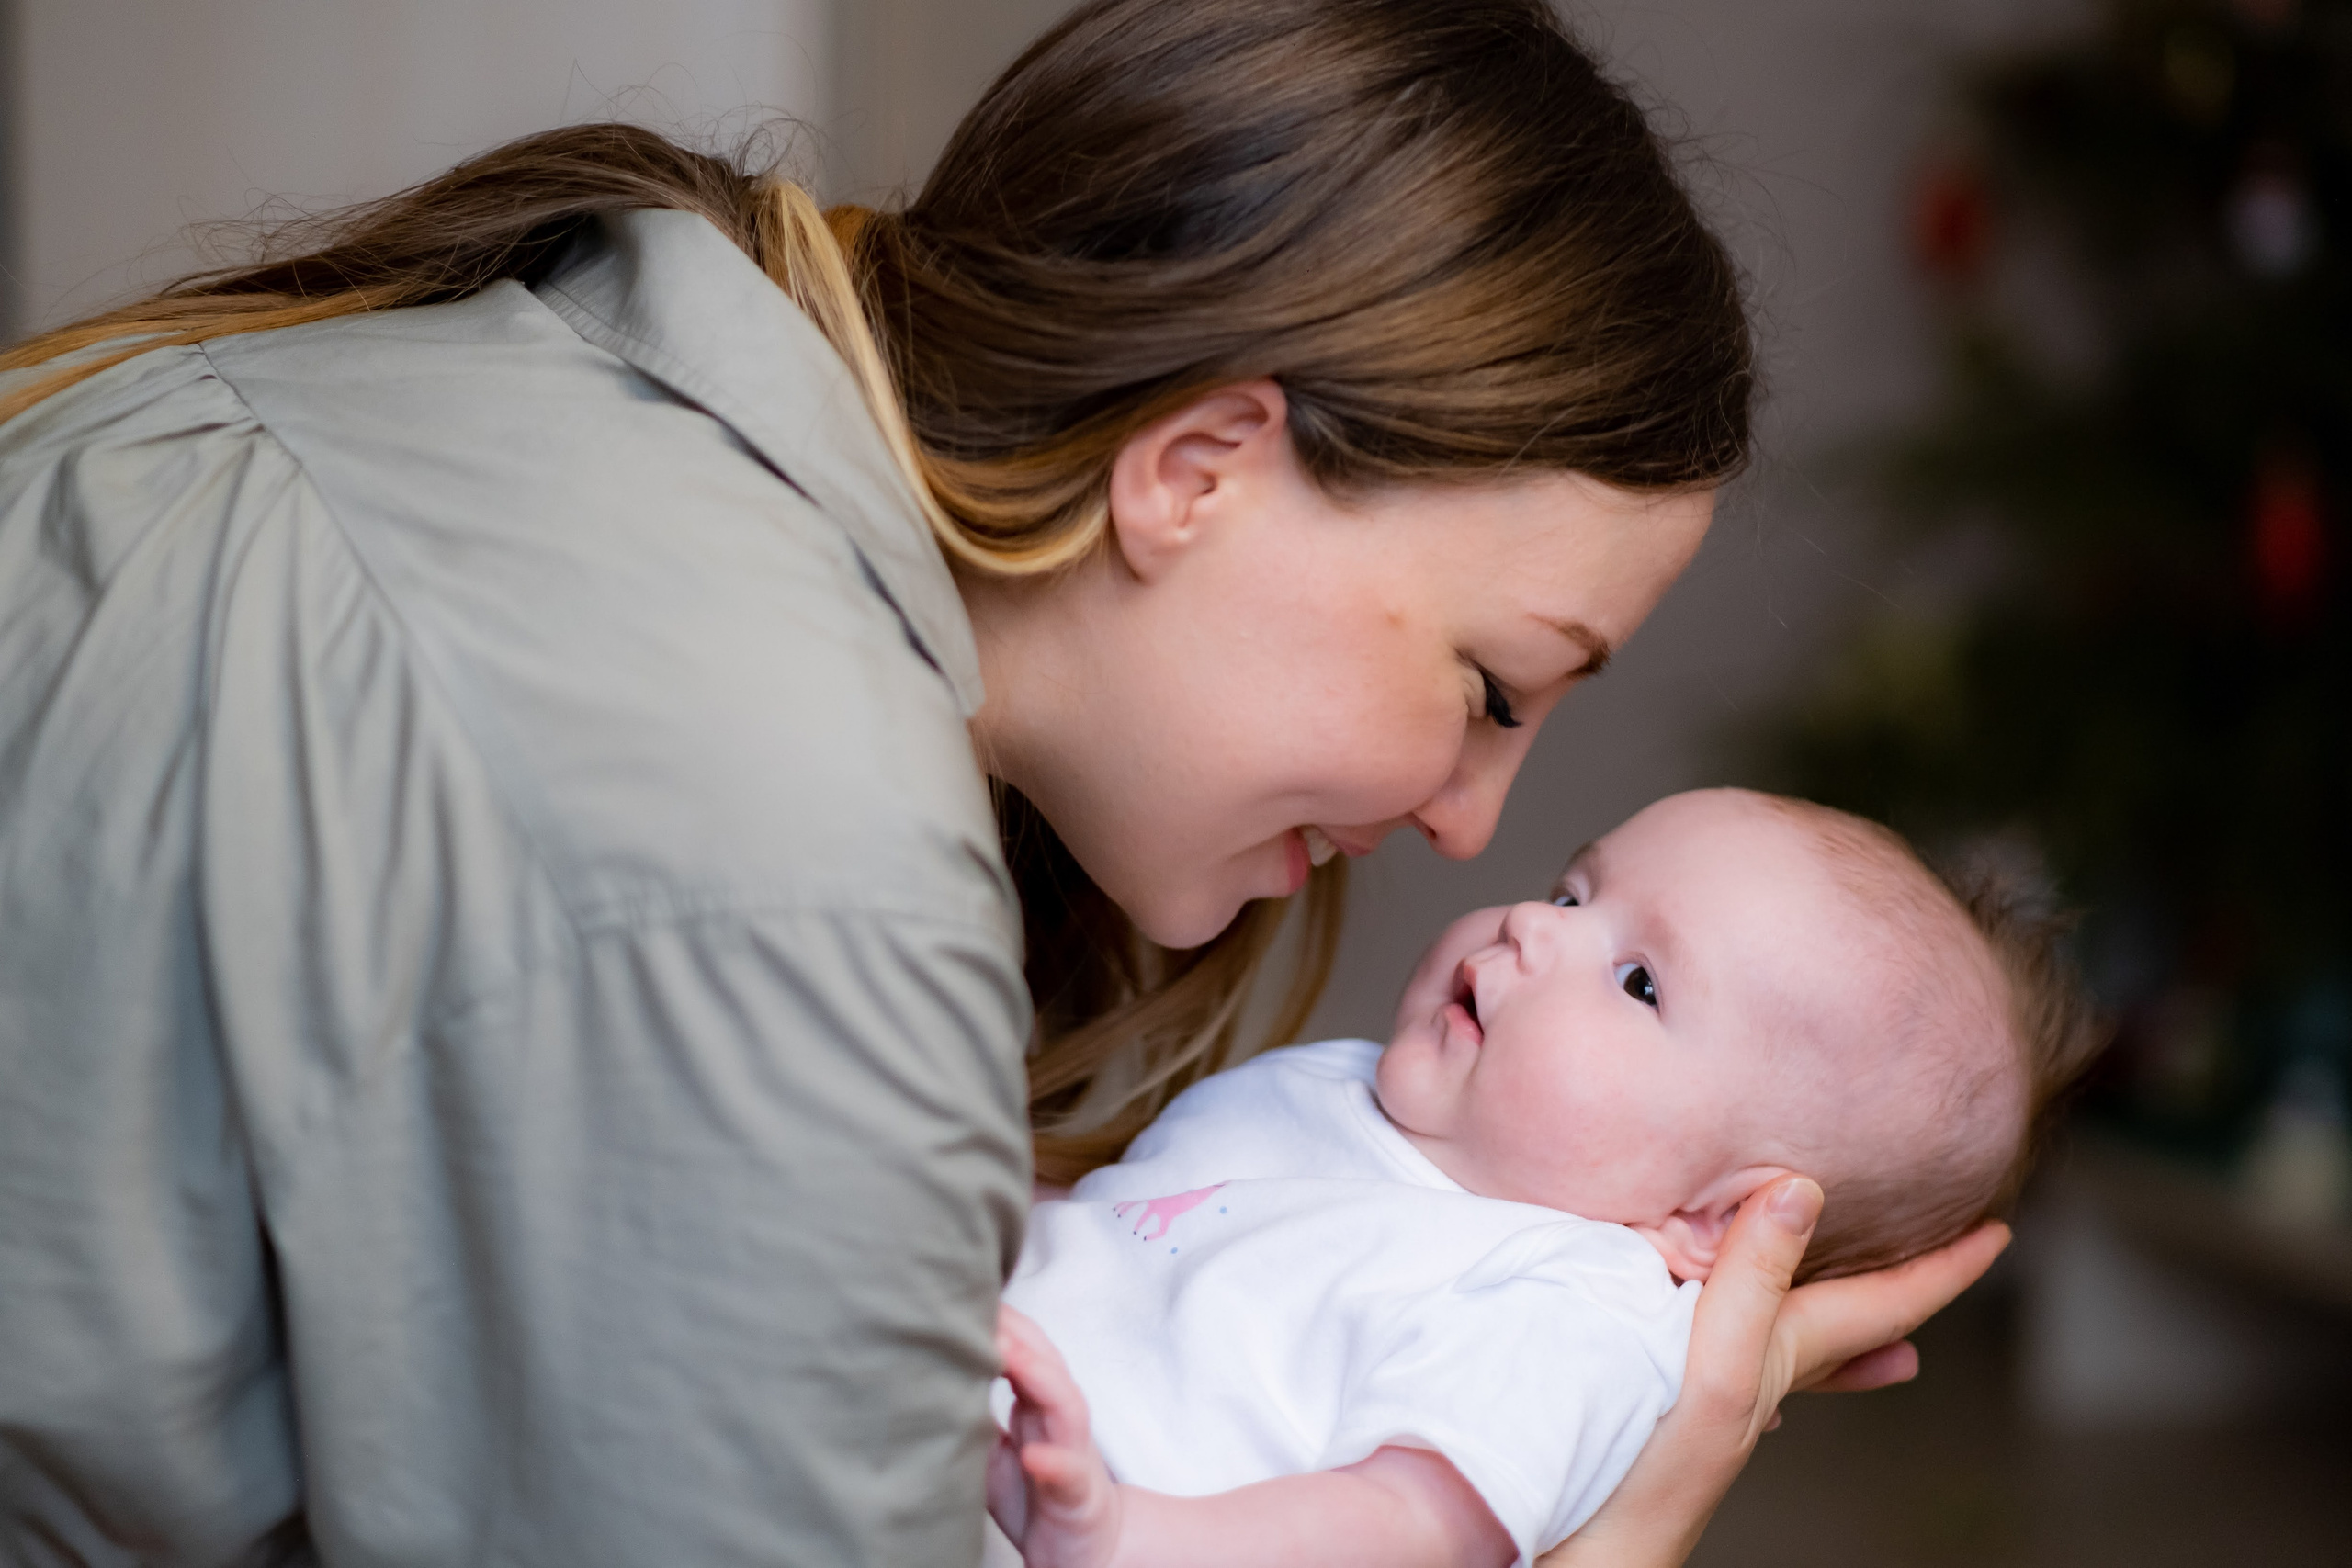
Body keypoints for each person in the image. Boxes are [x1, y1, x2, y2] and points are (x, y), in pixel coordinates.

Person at [0, 2, 2007, 1563]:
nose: (1470, 831)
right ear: (1196, 467)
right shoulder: (780, 856)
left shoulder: (551, 372)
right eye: (1490, 683)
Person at [988, 789, 2104, 1568]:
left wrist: (1123, 1541)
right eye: (1575, 893)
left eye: (1637, 982)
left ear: (1713, 1218)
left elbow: (1409, 1533)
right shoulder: (1338, 1088)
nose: (1533, 925)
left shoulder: (1571, 1308)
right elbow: (1119, 1238)